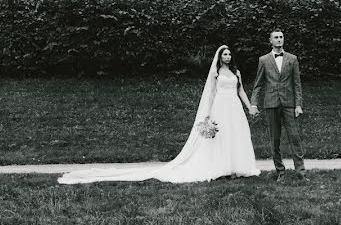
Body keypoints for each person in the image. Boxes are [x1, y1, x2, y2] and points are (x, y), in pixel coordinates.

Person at [58, 45, 259, 184]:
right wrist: (208, 114)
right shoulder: (215, 74)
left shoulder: (236, 73)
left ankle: (236, 168)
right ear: (219, 57)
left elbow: (241, 91)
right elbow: (212, 94)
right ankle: (221, 168)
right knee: (220, 138)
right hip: (220, 107)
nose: (228, 57)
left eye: (230, 54)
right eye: (225, 54)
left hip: (234, 106)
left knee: (236, 136)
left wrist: (249, 106)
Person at [249, 28, 305, 180]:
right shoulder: (264, 60)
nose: (279, 39)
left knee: (295, 137)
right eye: (276, 37)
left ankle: (301, 172)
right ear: (270, 41)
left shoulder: (292, 59)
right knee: (275, 139)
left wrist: (298, 105)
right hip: (271, 103)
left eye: (281, 37)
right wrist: (253, 104)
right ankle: (280, 171)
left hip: (289, 104)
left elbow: (297, 84)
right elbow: (258, 84)